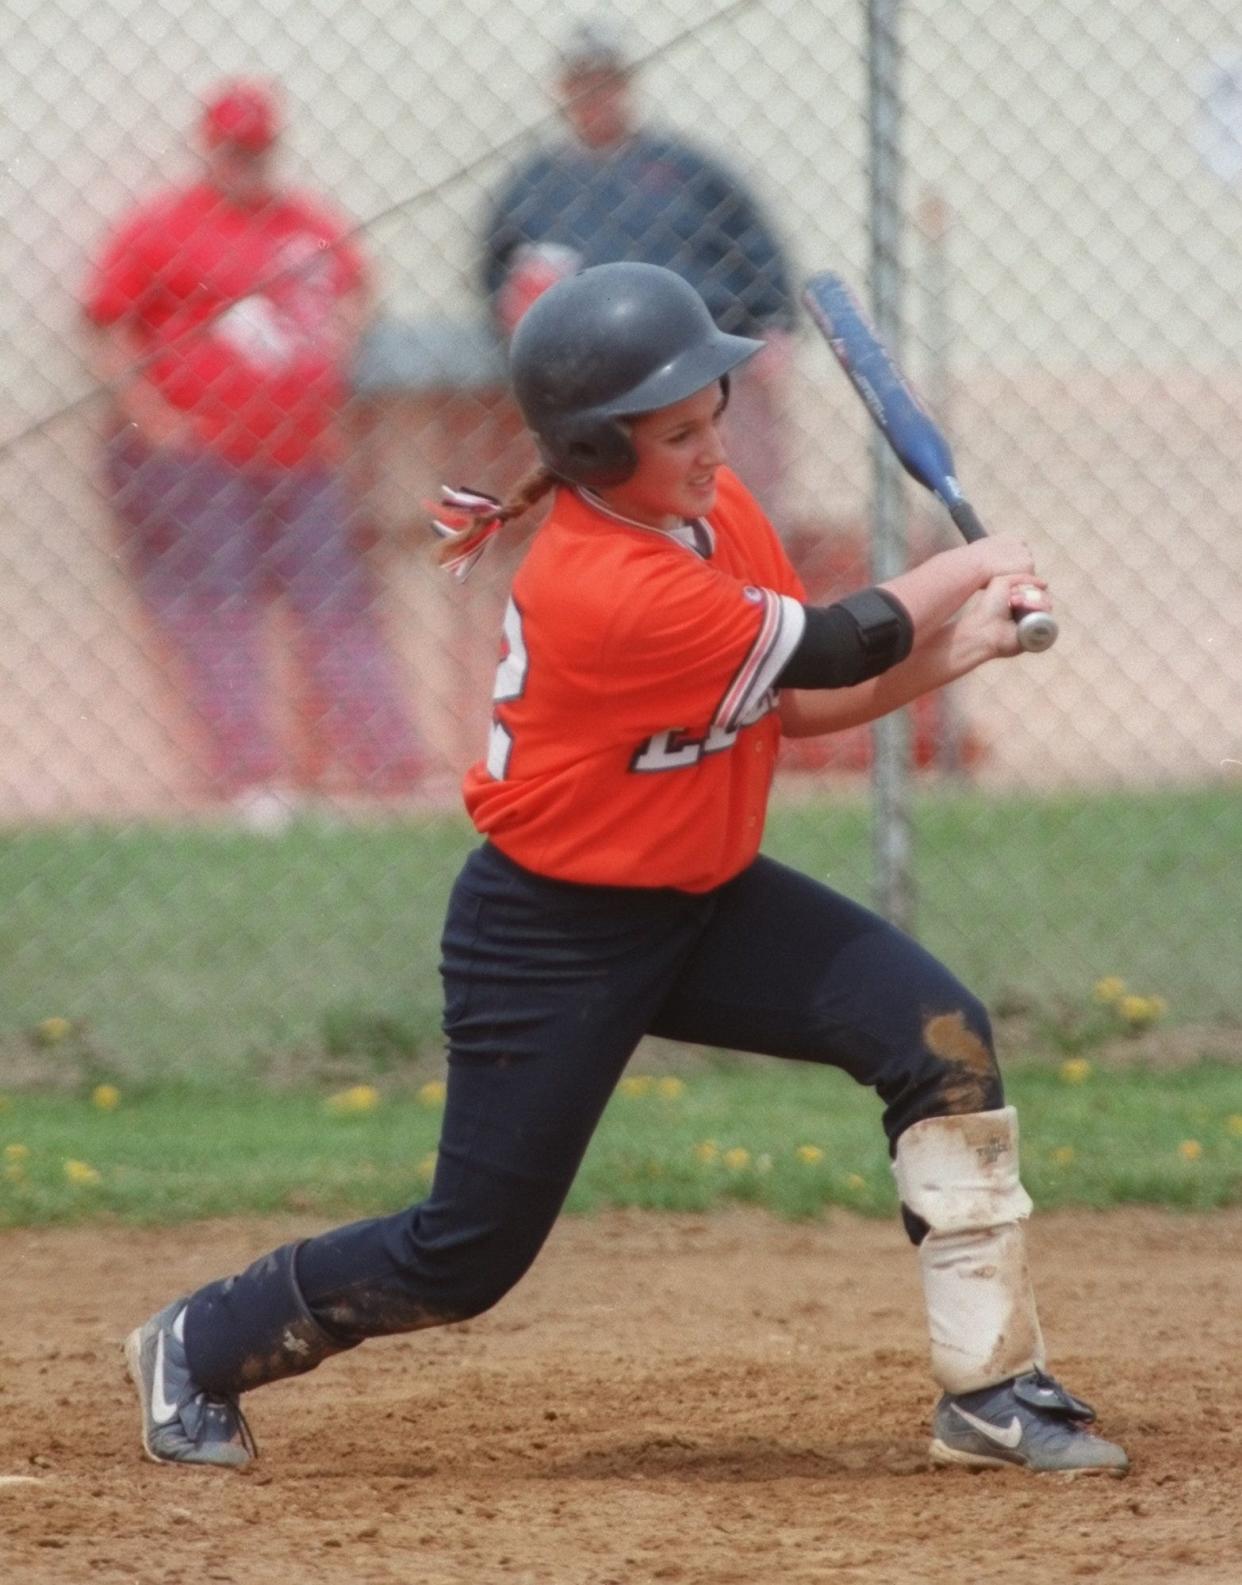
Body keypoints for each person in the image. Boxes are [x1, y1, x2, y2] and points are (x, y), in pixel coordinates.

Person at [123, 263, 1128, 1477]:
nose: (713, 447)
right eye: (680, 431)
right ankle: (197, 1340)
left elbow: (803, 701)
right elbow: (834, 637)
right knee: (467, 1254)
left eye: (712, 416)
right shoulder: (607, 582)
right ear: (601, 451)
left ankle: (993, 1388)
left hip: (704, 897)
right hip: (552, 933)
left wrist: (965, 643)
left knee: (938, 1035)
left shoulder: (711, 520)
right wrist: (970, 565)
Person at [81, 80, 424, 826]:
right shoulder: (161, 227)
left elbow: (356, 290)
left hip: (305, 457)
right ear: (210, 149)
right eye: (233, 152)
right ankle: (250, 779)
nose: (246, 166)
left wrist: (337, 353)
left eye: (258, 153)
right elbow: (109, 324)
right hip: (201, 460)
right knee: (220, 611)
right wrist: (154, 419)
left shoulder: (305, 223)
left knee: (337, 608)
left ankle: (389, 770)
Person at [481, 18, 796, 530]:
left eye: (606, 81)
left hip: (709, 359)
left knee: (741, 507)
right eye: (581, 82)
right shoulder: (533, 186)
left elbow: (757, 247)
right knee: (619, 517)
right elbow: (498, 280)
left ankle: (755, 594)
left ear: (627, 86)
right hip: (597, 386)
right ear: (561, 90)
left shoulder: (687, 170)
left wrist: (776, 325)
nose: (595, 95)